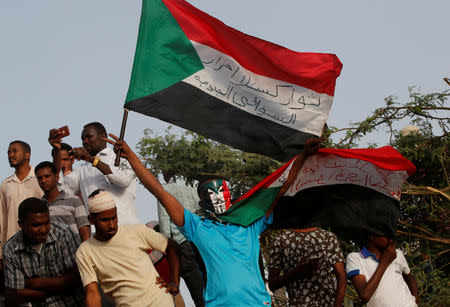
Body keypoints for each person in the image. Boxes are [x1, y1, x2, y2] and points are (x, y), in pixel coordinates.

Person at [105, 134, 274, 306]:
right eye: (211, 195)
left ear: (230, 194)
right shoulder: (199, 228)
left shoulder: (249, 224)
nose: (217, 199)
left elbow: (280, 190)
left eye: (221, 191)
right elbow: (159, 192)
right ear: (201, 203)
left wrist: (301, 157)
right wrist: (132, 157)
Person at [76, 190, 180, 307]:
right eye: (104, 220)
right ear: (91, 220)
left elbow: (172, 246)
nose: (111, 225)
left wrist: (174, 282)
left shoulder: (136, 231)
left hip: (160, 302)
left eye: (114, 217)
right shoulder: (85, 251)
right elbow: (92, 293)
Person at [49, 122, 139, 224]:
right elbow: (60, 189)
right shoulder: (82, 169)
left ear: (103, 136)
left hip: (125, 228)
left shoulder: (121, 157)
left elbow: (123, 180)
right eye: (82, 139)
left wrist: (92, 160)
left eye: (89, 137)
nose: (85, 141)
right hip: (98, 234)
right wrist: (56, 151)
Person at [2, 197, 84, 306]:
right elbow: (16, 294)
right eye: (36, 225)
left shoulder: (63, 234)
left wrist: (35, 283)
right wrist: (61, 284)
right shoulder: (11, 249)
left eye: (47, 223)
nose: (44, 230)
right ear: (21, 225)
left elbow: (76, 279)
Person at [157, 174, 205, 307]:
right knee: (211, 284)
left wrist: (169, 255)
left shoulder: (165, 190)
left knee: (197, 292)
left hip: (182, 246)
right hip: (203, 242)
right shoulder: (196, 183)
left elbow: (165, 228)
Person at [268, 227, 346, 306]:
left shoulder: (328, 237)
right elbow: (272, 284)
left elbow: (341, 276)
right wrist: (296, 273)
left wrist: (337, 305)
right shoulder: (281, 240)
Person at [346, 233, 419, 306]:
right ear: (372, 235)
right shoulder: (355, 258)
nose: (391, 238)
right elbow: (365, 296)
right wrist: (385, 261)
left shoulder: (397, 254)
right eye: (386, 233)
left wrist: (414, 300)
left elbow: (409, 278)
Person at [0, 140, 43, 264]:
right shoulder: (6, 184)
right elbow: (2, 219)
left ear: (27, 155)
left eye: (15, 151)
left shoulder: (39, 178)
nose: (11, 155)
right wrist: (1, 253)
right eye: (8, 152)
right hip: (12, 247)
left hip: (37, 244)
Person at [35, 161, 90, 242]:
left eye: (47, 176)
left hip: (74, 252)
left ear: (57, 177)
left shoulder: (73, 200)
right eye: (40, 178)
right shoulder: (39, 206)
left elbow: (84, 229)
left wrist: (85, 253)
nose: (43, 180)